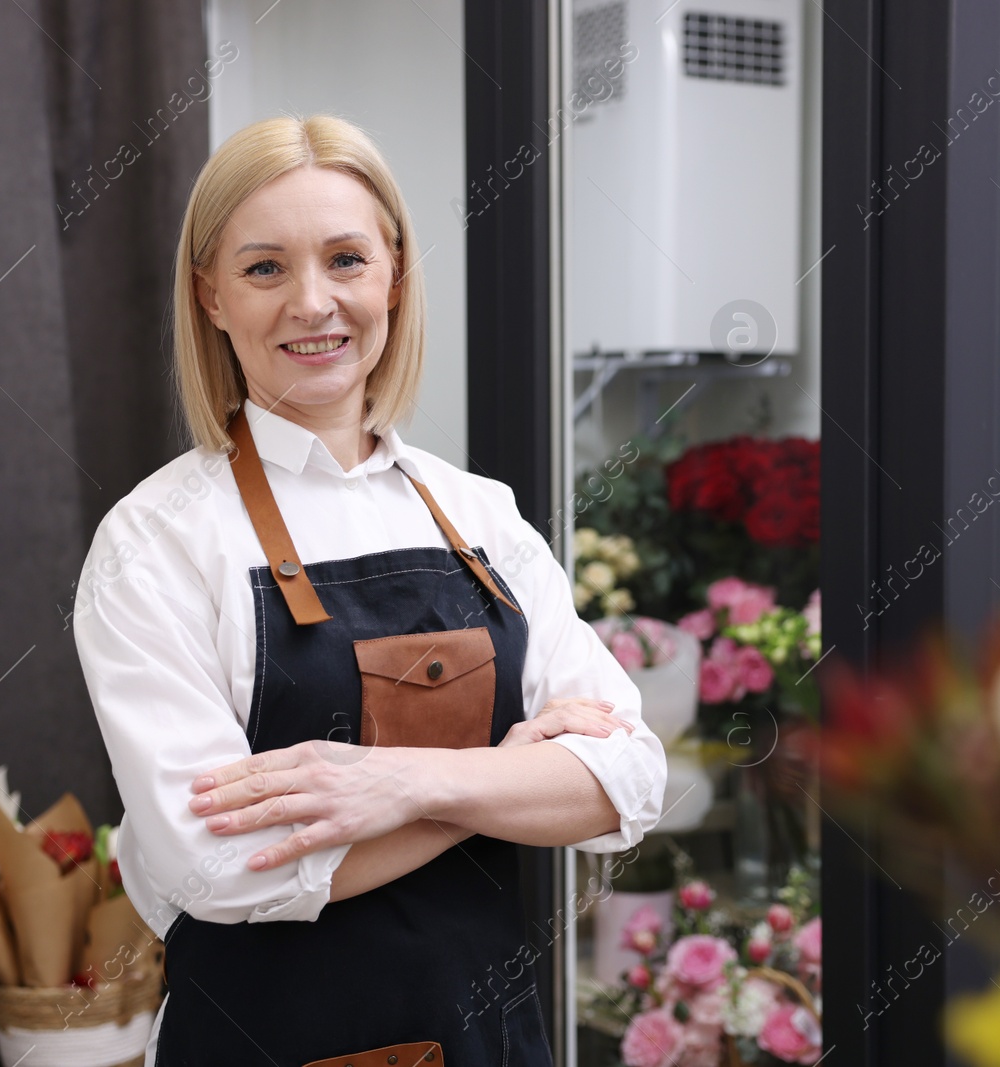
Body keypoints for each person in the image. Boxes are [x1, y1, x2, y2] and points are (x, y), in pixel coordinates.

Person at [72, 114, 668, 1067]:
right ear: (211, 296)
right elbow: (221, 862)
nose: (314, 303)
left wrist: (400, 784)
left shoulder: (481, 517)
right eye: (265, 268)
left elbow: (628, 779)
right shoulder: (156, 541)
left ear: (393, 271)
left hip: (491, 1039)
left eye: (346, 258)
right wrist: (504, 777)